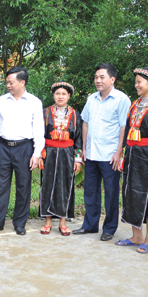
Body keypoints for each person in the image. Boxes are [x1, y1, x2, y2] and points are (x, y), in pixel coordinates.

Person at [73, 63, 131, 241]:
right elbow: (85, 123)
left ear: (112, 79)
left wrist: (118, 152)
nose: (98, 80)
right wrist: (83, 148)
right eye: (96, 77)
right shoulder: (91, 99)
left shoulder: (122, 99)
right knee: (90, 192)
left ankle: (109, 228)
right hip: (91, 153)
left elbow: (124, 126)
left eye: (102, 77)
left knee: (111, 193)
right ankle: (90, 225)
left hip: (110, 155)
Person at [0, 67, 45, 236]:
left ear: (22, 82)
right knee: (0, 186)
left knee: (23, 187)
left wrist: (36, 154)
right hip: (4, 147)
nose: (8, 85)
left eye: (11, 82)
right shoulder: (2, 100)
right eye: (7, 82)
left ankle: (20, 223)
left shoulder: (34, 102)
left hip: (25, 148)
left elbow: (39, 130)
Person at [116, 67, 148, 253]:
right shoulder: (135, 103)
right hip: (132, 153)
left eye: (139, 82)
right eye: (136, 81)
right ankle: (136, 235)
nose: (136, 85)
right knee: (130, 193)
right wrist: (123, 154)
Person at [39, 82, 83, 236]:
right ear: (53, 95)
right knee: (47, 185)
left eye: (64, 94)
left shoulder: (76, 115)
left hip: (67, 154)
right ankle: (48, 221)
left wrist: (77, 160)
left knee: (65, 186)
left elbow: (78, 139)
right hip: (48, 154)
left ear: (69, 96)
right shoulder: (45, 113)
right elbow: (39, 136)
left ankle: (63, 222)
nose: (60, 96)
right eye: (57, 93)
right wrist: (39, 155)